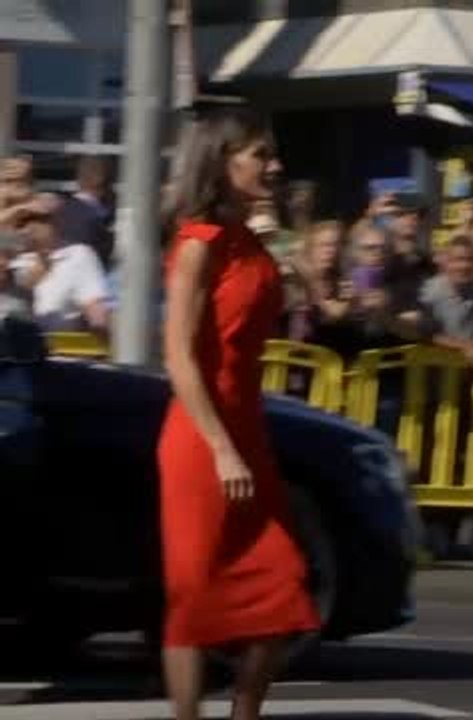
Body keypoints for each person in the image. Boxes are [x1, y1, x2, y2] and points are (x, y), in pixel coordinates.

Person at [158, 107, 320, 720]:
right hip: (202, 436)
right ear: (222, 162)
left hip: (246, 426)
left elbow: (311, 300)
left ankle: (244, 712)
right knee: (194, 592)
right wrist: (221, 447)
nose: (274, 166)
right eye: (260, 155)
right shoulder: (199, 242)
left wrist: (291, 245)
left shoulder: (251, 239)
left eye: (273, 155)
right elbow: (179, 355)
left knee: (281, 584)